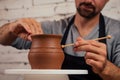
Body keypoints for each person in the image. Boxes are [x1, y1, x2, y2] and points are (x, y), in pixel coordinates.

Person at [0, 0, 120, 80]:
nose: (88, 0)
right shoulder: (51, 29)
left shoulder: (116, 31)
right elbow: (2, 39)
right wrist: (11, 29)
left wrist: (106, 68)